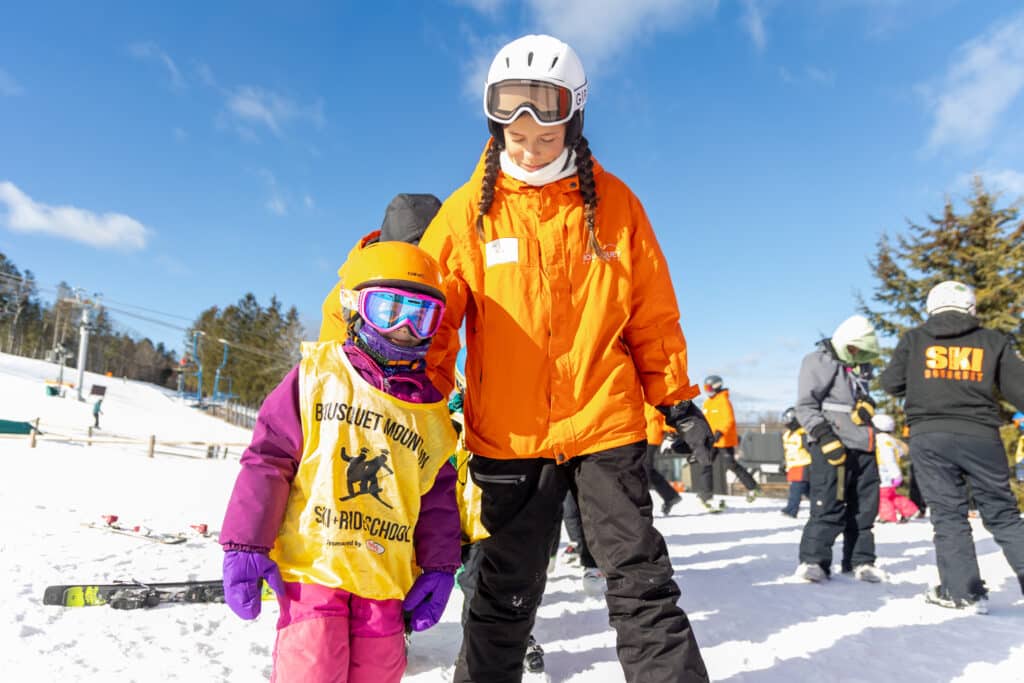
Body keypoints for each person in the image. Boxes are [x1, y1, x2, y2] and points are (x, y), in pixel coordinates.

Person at [419, 34, 711, 683]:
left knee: (640, 581)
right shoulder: (469, 214)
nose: (529, 149)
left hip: (605, 424)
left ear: (573, 121)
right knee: (503, 591)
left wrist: (675, 399)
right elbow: (433, 325)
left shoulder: (615, 205)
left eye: (546, 137)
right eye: (516, 136)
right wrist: (414, 402)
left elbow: (651, 316)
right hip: (510, 437)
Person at [218, 239, 460, 682]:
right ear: (356, 307)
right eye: (390, 310)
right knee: (313, 668)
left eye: (421, 315)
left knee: (379, 672)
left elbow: (437, 498)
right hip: (315, 569)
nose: (405, 328)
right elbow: (269, 460)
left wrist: (440, 565)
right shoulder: (317, 377)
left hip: (384, 580)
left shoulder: (429, 411)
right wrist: (247, 543)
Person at [880, 280, 1024, 613]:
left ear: (931, 307)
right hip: (980, 436)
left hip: (930, 437)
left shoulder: (915, 340)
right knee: (1003, 515)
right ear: (971, 307)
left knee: (948, 515)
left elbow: (891, 383)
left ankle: (963, 593)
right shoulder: (992, 340)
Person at [449, 394, 546, 674]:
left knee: (490, 585)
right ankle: (478, 649)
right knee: (471, 585)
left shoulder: (506, 420)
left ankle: (503, 645)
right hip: (459, 523)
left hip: (495, 520)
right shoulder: (449, 424)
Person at [794, 314, 885, 584]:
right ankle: (814, 561)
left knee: (864, 507)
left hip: (863, 443)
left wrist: (867, 406)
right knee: (828, 504)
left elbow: (858, 397)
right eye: (854, 348)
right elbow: (805, 406)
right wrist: (824, 436)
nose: (857, 354)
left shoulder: (861, 366)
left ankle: (861, 561)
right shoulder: (818, 362)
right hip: (832, 443)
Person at [700, 375, 761, 508]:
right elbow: (704, 420)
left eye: (708, 387)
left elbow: (728, 420)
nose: (707, 390)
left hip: (723, 441)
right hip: (711, 441)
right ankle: (706, 496)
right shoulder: (707, 403)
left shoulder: (723, 401)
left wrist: (719, 432)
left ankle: (753, 487)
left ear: (716, 386)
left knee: (731, 465)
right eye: (705, 388)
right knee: (706, 465)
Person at [871, 413, 919, 523]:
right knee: (892, 496)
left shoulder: (881, 440)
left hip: (884, 473)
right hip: (890, 474)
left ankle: (887, 516)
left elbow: (889, 459)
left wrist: (895, 474)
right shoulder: (892, 440)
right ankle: (910, 510)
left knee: (882, 497)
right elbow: (900, 452)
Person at [645, 403, 683, 515]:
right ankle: (670, 496)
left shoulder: (656, 399)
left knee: (645, 469)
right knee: (646, 468)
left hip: (651, 437)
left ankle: (641, 506)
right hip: (639, 437)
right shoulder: (640, 397)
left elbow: (668, 416)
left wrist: (672, 433)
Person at [780, 407, 811, 518]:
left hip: (803, 464)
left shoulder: (803, 434)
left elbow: (810, 449)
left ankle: (791, 509)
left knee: (796, 488)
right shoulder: (787, 435)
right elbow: (787, 451)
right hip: (793, 465)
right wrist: (783, 463)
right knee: (808, 490)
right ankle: (822, 506)